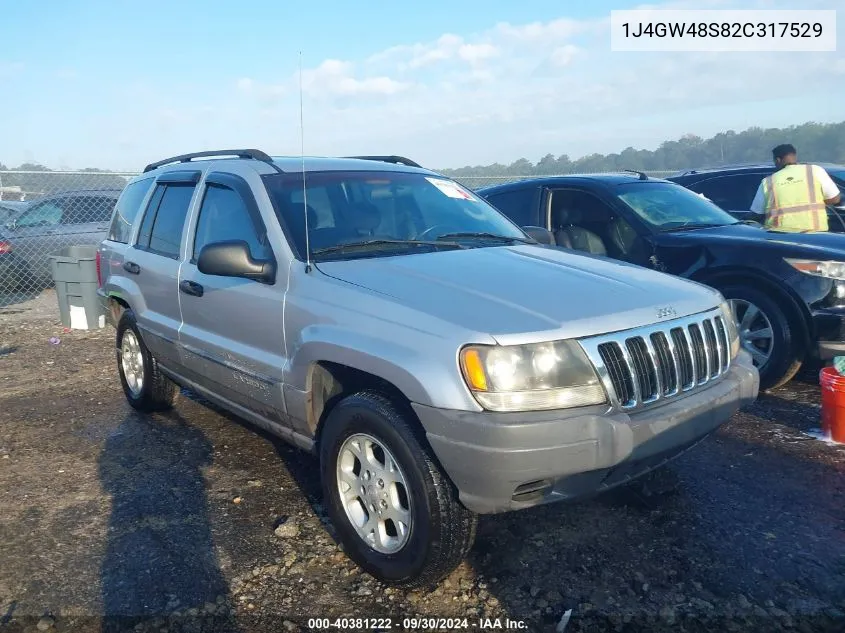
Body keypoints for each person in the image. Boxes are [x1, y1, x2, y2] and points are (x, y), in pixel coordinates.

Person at [749, 144, 841, 232]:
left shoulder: (768, 181)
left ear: (777, 160)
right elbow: (835, 199)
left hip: (781, 237)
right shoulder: (815, 171)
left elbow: (757, 213)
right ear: (795, 156)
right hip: (815, 235)